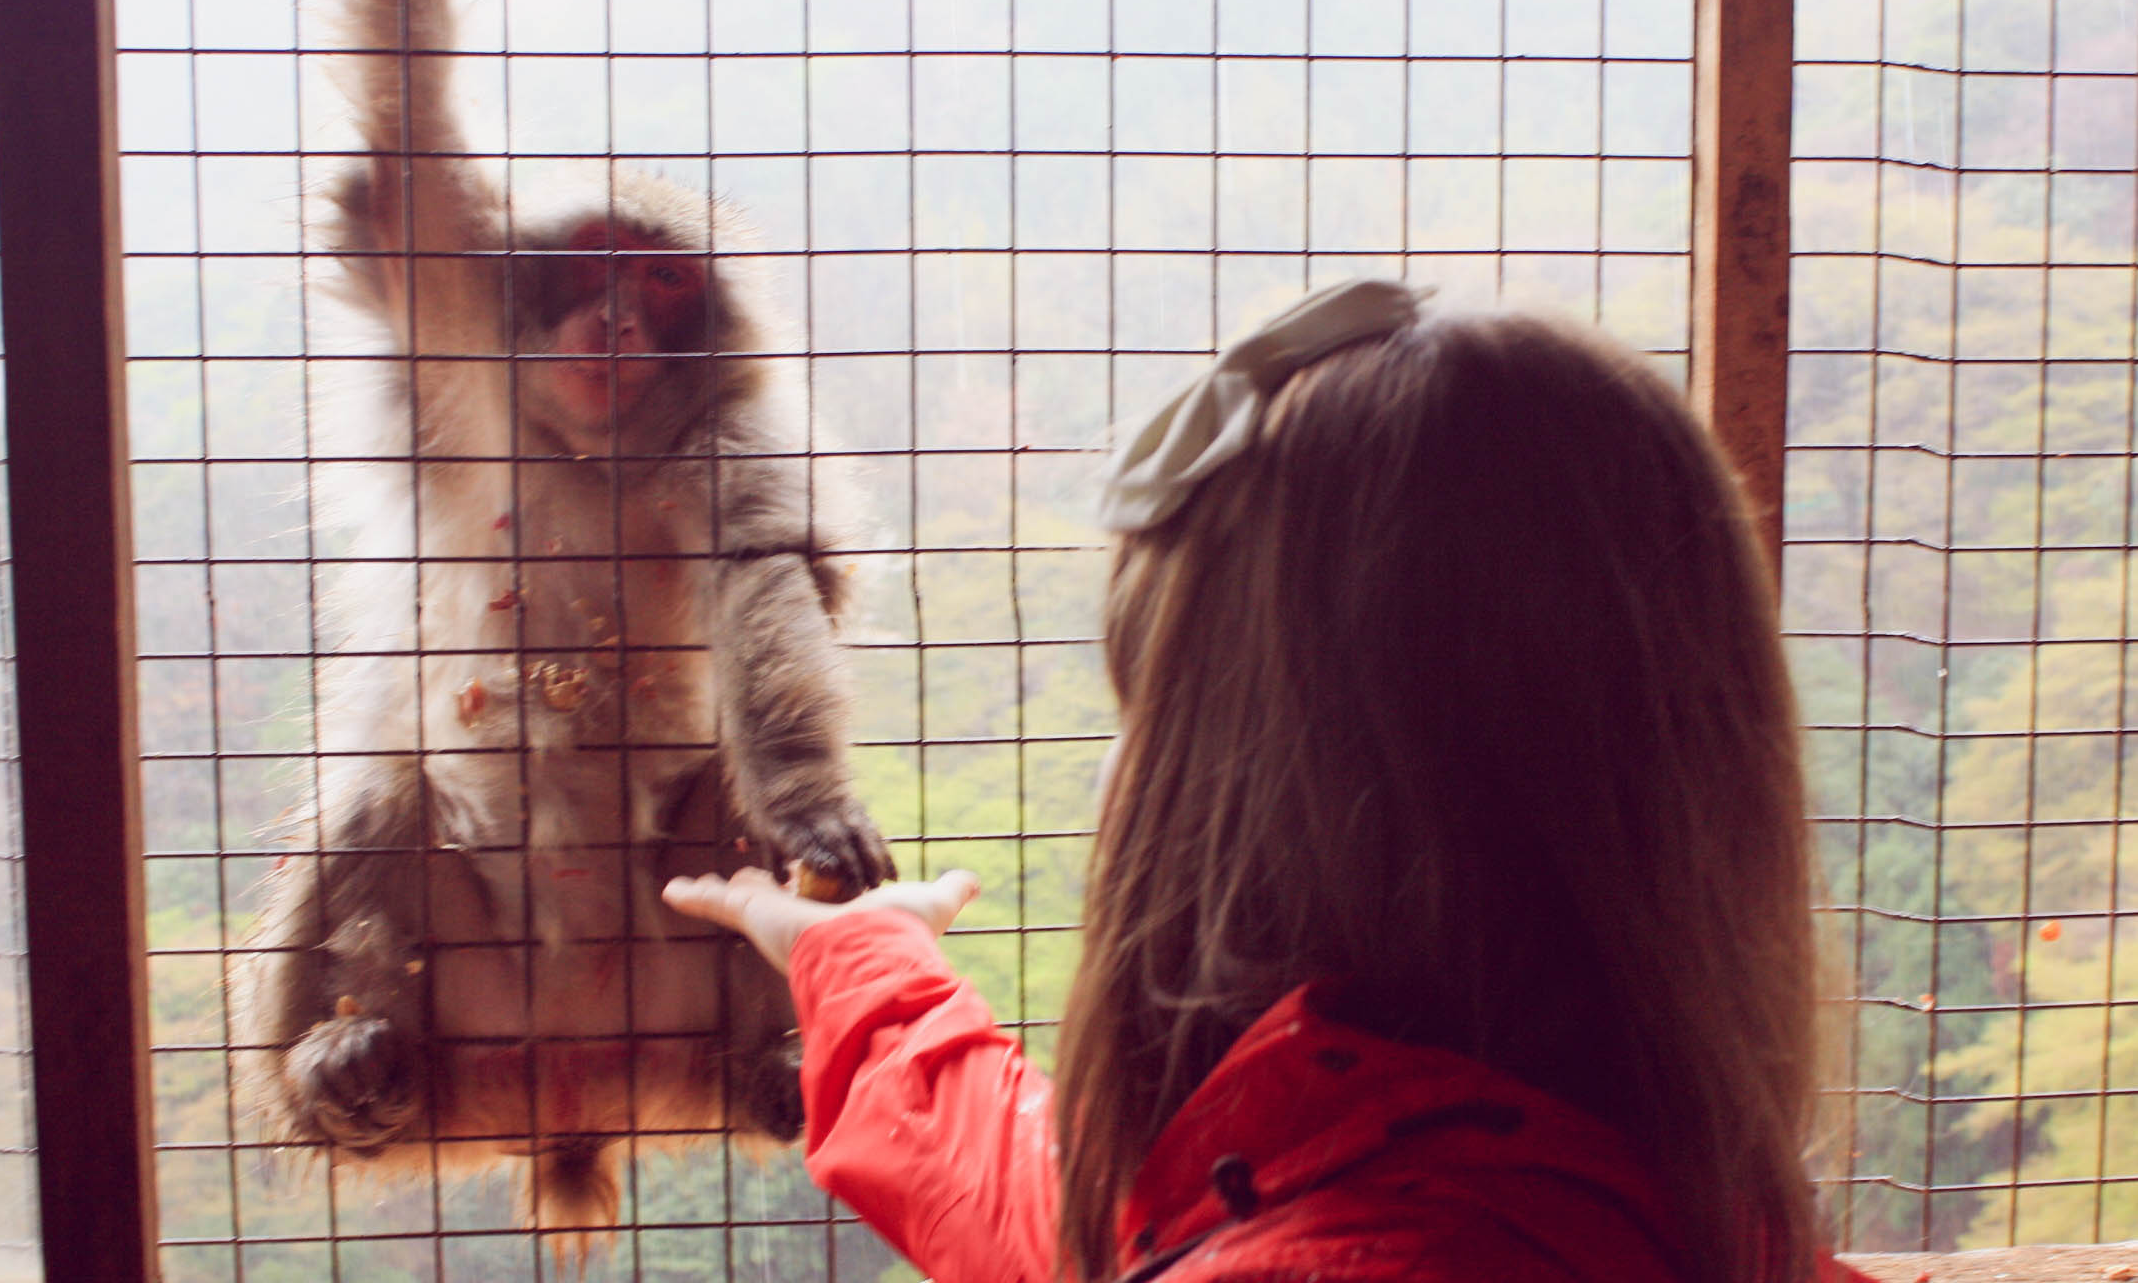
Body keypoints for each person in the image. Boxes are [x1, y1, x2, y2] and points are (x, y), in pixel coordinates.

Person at [665, 282, 1862, 1283]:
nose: (1113, 771)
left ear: (1251, 799)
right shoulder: (1631, 1200)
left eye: (1154, 713)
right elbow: (1112, 1221)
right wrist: (867, 965)